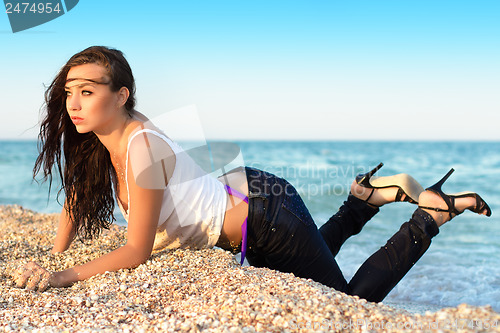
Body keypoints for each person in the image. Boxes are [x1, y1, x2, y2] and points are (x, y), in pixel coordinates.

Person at [13, 46, 491, 303]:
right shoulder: (103, 141)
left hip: (265, 220)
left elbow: (135, 251)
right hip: (255, 195)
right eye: (69, 91)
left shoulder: (141, 150)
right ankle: (361, 202)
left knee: (349, 299)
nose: (74, 103)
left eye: (88, 91)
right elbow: (75, 200)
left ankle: (428, 217)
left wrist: (60, 275)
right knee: (316, 264)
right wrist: (52, 251)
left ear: (120, 96)